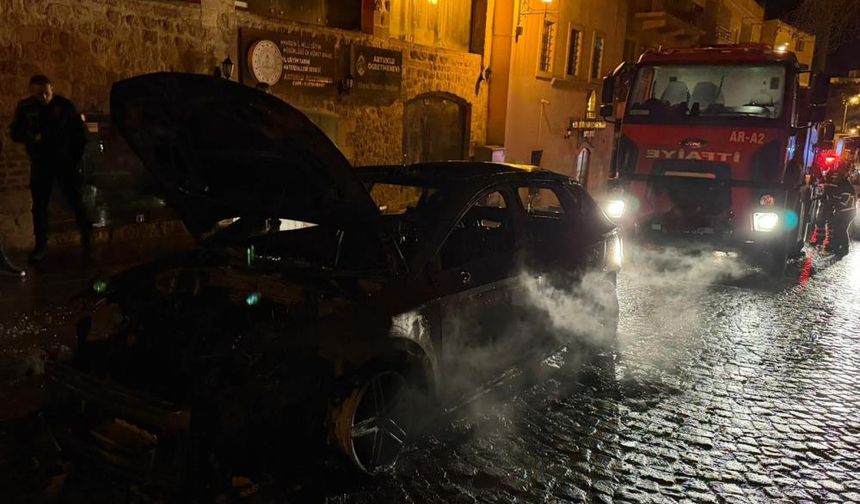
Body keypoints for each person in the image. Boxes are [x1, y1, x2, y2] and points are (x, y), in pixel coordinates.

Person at [10, 75, 92, 263]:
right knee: (39, 206)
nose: (44, 97)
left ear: (51, 89)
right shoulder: (26, 108)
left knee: (76, 201)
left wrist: (75, 158)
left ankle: (87, 240)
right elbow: (16, 133)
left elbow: (79, 133)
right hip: (41, 164)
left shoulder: (63, 106)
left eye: (46, 92)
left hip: (65, 163)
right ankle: (41, 247)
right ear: (32, 92)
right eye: (39, 94)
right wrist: (29, 135)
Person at [820, 161, 856, 257]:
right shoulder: (839, 184)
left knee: (842, 229)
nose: (835, 177)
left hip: (848, 212)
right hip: (841, 211)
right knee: (836, 228)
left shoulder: (846, 186)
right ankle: (835, 246)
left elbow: (843, 202)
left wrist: (834, 207)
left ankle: (845, 248)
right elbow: (832, 194)